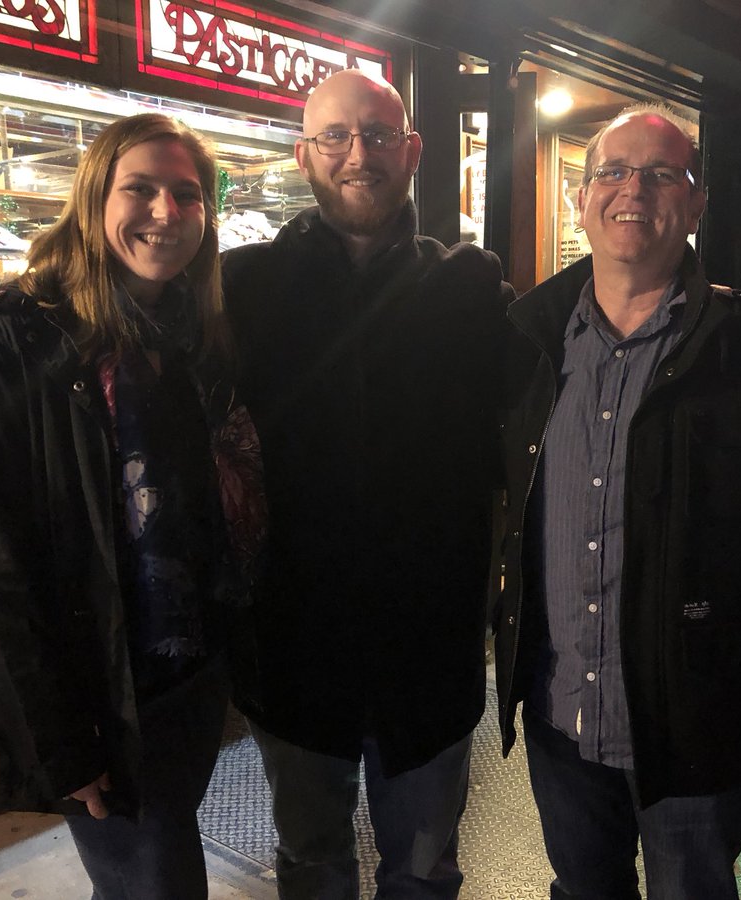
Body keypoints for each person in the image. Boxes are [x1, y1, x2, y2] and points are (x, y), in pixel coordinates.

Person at [493, 107, 741, 899]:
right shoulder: (526, 340)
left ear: (696, 206)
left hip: (699, 725)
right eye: (613, 172)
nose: (635, 190)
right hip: (562, 722)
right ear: (581, 199)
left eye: (663, 174)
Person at [0, 113, 267, 900]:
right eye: (140, 189)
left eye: (187, 194)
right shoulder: (6, 341)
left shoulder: (193, 336)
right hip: (101, 693)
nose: (166, 211)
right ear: (91, 200)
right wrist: (65, 743)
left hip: (186, 681)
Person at [221, 68, 512, 898]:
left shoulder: (469, 288)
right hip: (292, 655)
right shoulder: (243, 289)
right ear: (304, 154)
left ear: (413, 150)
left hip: (430, 657)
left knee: (423, 872)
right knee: (312, 865)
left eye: (380, 136)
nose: (360, 155)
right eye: (337, 138)